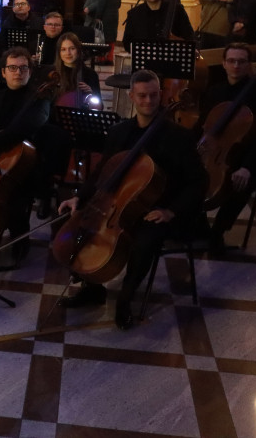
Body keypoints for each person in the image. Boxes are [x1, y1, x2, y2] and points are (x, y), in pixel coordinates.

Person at [57, 70, 205, 330]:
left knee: (145, 240)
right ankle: (93, 288)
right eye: (142, 96)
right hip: (118, 205)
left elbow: (199, 182)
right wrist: (79, 198)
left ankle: (125, 298)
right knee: (80, 227)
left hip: (158, 208)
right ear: (131, 97)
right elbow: (104, 171)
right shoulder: (119, 131)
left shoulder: (179, 136)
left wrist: (171, 211)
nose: (149, 101)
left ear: (162, 95)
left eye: (154, 95)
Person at [200, 43, 256, 254]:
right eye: (231, 61)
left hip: (253, 154)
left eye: (241, 61)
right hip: (217, 152)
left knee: (240, 179)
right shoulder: (215, 92)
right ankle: (198, 227)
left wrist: (248, 167)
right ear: (223, 64)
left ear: (249, 65)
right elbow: (204, 128)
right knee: (191, 174)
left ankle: (218, 232)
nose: (236, 66)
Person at [0, 47, 56, 263]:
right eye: (12, 68)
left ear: (30, 72)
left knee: (14, 201)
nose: (18, 72)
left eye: (23, 68)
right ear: (3, 72)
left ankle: (19, 238)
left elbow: (20, 130)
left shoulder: (40, 99)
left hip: (26, 168)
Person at [121, 0, 194, 51]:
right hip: (146, 60)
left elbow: (190, 38)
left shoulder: (177, 10)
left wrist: (174, 39)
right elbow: (127, 43)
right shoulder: (134, 14)